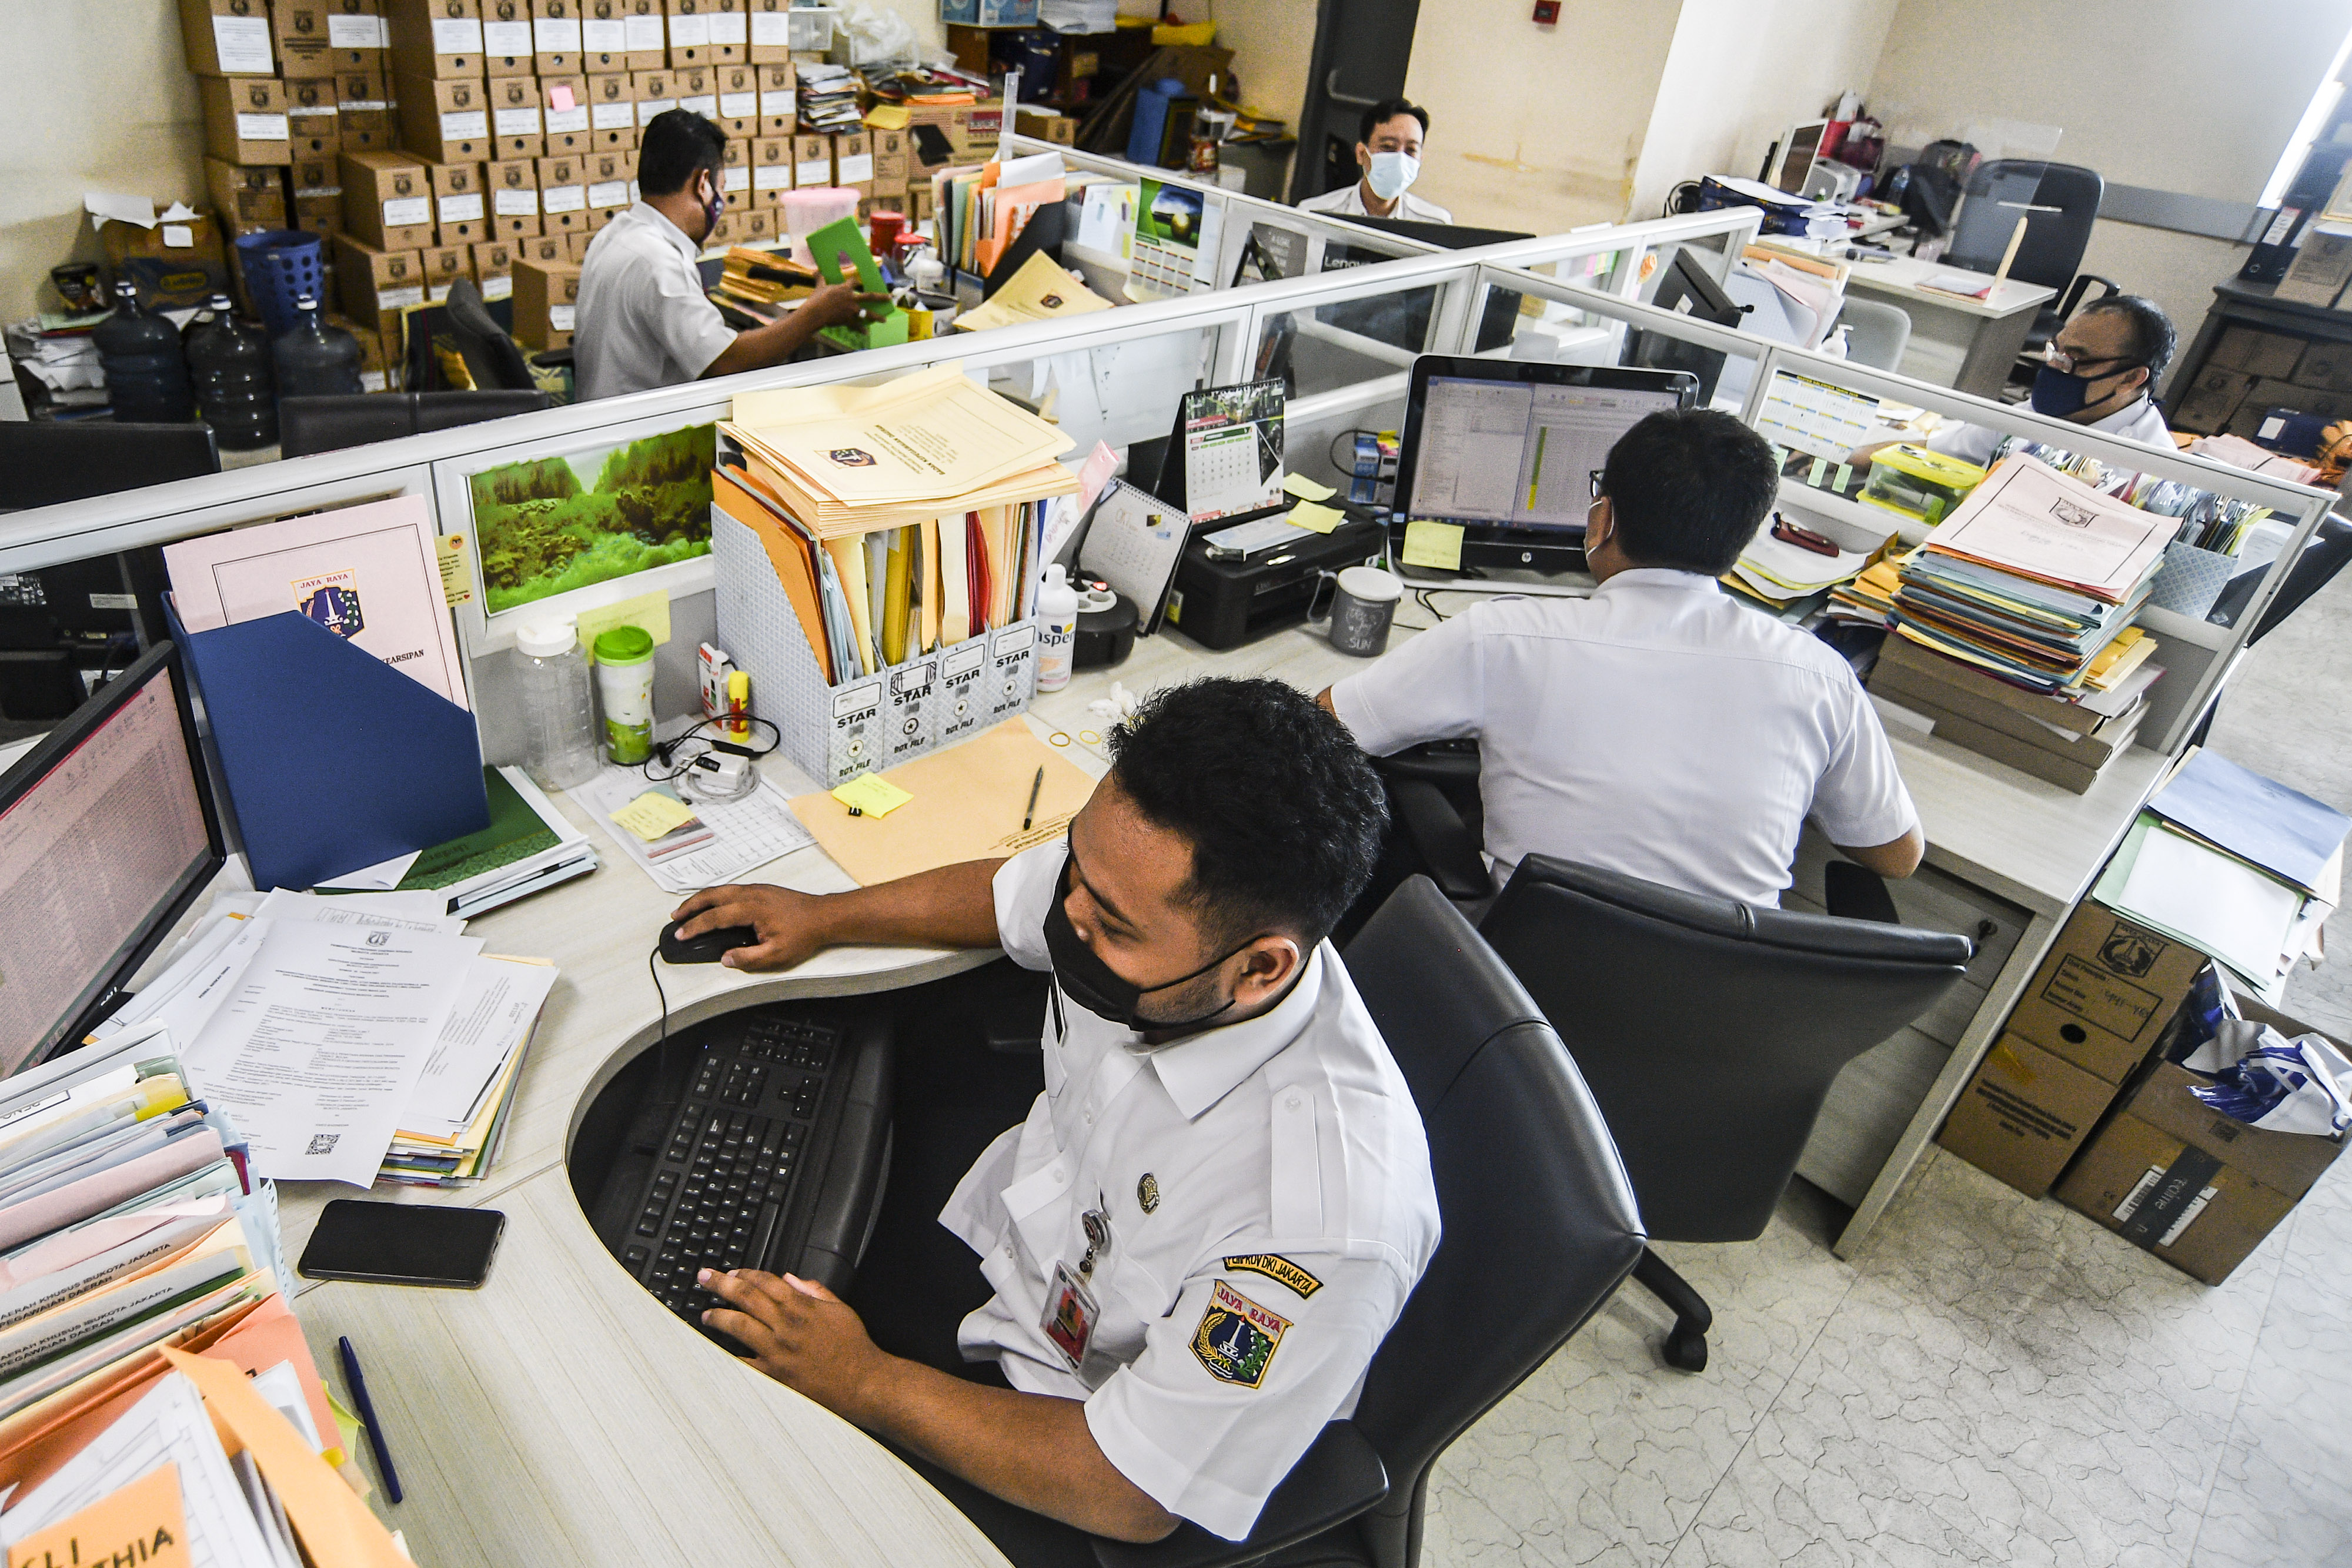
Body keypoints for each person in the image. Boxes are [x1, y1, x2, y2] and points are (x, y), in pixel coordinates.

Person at [667, 678, 1439, 1556]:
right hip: (1020, 1234)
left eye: (1109, 925)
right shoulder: (1133, 885)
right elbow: (1014, 895)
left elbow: (1131, 1491)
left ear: (1261, 969)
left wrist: (863, 1381)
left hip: (1070, 1422)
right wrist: (827, 917)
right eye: (1077, 867)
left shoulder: (1320, 1220)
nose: (1069, 914)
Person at [1321, 408, 1923, 908]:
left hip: (1519, 990)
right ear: (1741, 542)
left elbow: (1324, 726)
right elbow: (1897, 855)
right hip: (1726, 1005)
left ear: (1602, 520)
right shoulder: (1819, 675)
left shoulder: (1503, 637)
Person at [574, 108, 885, 400]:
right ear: (703, 185)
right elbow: (726, 362)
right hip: (641, 430)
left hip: (604, 416)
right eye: (721, 187)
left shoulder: (614, 235)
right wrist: (816, 313)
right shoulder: (658, 262)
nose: (722, 200)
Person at [1854, 294, 2177, 469]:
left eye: (2074, 359)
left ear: (2131, 378)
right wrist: (1839, 456)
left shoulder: (2152, 468)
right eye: (2056, 351)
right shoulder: (2037, 412)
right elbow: (1941, 450)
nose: (2055, 367)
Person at [1296, 99, 1453, 224]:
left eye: (1411, 150)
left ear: (1420, 160)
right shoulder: (1313, 215)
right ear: (1361, 154)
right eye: (1388, 147)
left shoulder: (1435, 223)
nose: (1400, 158)